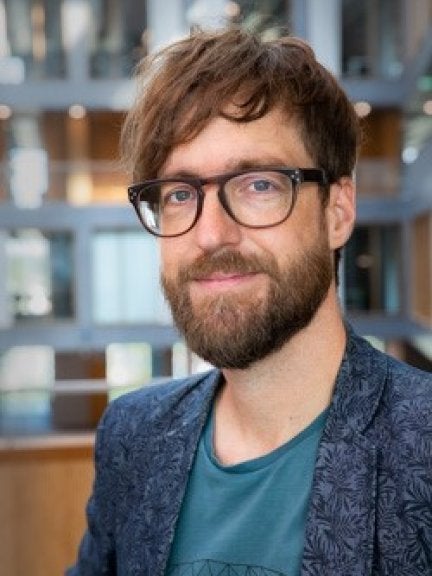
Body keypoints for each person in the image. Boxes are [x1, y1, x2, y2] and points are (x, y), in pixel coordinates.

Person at [67, 27, 432, 576]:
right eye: (180, 194)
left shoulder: (421, 442)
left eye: (259, 184)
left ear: (337, 212)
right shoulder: (134, 435)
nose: (211, 235)